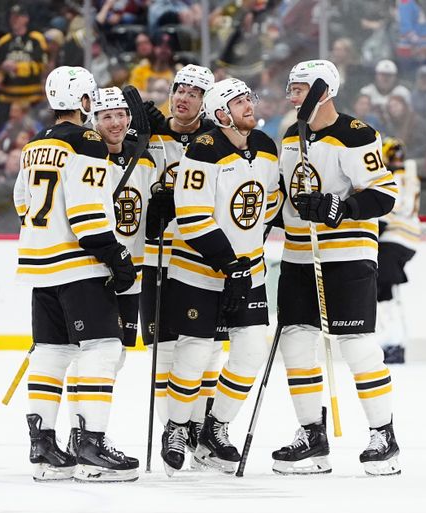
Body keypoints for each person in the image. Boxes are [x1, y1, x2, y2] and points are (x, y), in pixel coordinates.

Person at [275, 60, 401, 476]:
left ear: (323, 91)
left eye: (299, 89)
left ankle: (384, 437)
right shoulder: (291, 136)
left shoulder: (356, 135)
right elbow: (287, 197)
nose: (292, 96)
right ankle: (312, 437)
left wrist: (339, 207)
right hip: (298, 255)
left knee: (357, 345)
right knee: (295, 343)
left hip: (347, 254)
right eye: (291, 88)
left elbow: (384, 195)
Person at [13, 66, 138, 483]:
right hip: (79, 265)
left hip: (39, 264)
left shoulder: (34, 145)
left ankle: (44, 447)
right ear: (85, 103)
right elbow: (87, 215)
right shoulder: (88, 141)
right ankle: (91, 445)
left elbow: (20, 201)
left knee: (51, 352)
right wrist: (117, 257)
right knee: (102, 348)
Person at [159, 77, 283, 476]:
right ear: (221, 113)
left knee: (250, 352)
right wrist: (229, 263)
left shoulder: (265, 147)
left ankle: (214, 428)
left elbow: (270, 202)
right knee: (195, 351)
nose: (250, 105)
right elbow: (192, 217)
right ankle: (177, 428)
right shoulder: (203, 151)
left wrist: (245, 259)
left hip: (248, 272)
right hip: (199, 270)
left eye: (249, 98)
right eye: (240, 101)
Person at [65, 86, 157, 455]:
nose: (115, 122)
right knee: (93, 353)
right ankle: (82, 432)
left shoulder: (145, 161)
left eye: (121, 114)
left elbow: (151, 211)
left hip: (131, 273)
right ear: (93, 120)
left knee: (114, 356)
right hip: (94, 270)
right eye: (106, 116)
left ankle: (84, 432)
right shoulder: (88, 158)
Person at [141, 64, 223, 464]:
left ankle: (197, 425)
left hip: (198, 257)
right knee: (167, 350)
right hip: (155, 258)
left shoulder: (216, 139)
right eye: (179, 90)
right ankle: (175, 431)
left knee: (206, 352)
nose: (184, 97)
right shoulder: (150, 133)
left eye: (194, 92)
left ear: (206, 101)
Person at [374, 138, 420, 364]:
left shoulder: (393, 178)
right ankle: (394, 342)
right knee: (384, 291)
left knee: (382, 291)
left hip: (395, 238)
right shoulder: (410, 176)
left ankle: (393, 342)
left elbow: (391, 209)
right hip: (408, 239)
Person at [0, 5, 48, 112]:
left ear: (26, 19)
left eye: (18, 17)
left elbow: (42, 65)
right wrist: (0, 73)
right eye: (12, 17)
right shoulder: (3, 41)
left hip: (32, 98)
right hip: (8, 98)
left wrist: (17, 67)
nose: (14, 20)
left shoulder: (36, 39)